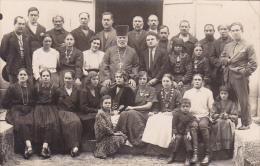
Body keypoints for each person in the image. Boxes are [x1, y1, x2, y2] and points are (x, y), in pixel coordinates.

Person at [220, 22, 257, 130]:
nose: (235, 33)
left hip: (240, 77)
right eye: (233, 31)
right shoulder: (228, 46)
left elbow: (254, 63)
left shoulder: (248, 45)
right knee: (231, 99)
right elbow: (222, 58)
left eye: (237, 30)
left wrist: (244, 73)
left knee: (243, 100)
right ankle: (233, 122)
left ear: (242, 31)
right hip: (228, 76)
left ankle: (246, 123)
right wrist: (227, 60)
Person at [116, 71, 157, 146]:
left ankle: (139, 139)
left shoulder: (151, 90)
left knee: (131, 113)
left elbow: (148, 106)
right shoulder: (135, 90)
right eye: (140, 79)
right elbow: (130, 103)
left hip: (146, 113)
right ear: (137, 80)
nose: (142, 81)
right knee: (123, 114)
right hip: (136, 112)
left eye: (144, 79)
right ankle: (121, 136)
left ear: (147, 79)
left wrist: (133, 108)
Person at [1, 68, 34, 159]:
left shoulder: (31, 87)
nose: (23, 76)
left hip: (28, 110)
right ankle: (28, 147)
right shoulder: (12, 87)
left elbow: (34, 101)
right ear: (17, 77)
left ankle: (27, 148)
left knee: (31, 122)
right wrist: (12, 108)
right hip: (15, 110)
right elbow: (4, 102)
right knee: (20, 122)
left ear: (27, 77)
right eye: (21, 75)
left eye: (24, 75)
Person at [142, 74, 182, 148]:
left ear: (171, 82)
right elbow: (156, 107)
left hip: (172, 114)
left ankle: (165, 144)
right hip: (162, 113)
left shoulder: (177, 93)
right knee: (152, 119)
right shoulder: (159, 92)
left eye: (167, 81)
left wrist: (171, 113)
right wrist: (154, 112)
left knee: (166, 121)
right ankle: (153, 144)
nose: (165, 83)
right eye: (164, 81)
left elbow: (179, 107)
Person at [183, 74, 214, 165]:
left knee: (203, 125)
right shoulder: (188, 93)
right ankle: (195, 155)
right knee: (194, 126)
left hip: (204, 116)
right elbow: (184, 108)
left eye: (199, 80)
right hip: (192, 117)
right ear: (192, 82)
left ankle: (208, 154)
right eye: (195, 80)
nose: (197, 81)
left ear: (203, 82)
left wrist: (211, 118)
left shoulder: (208, 92)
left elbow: (211, 107)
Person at [100, 25, 139, 94]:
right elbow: (104, 64)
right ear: (116, 38)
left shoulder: (132, 51)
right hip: (112, 80)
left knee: (133, 89)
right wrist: (107, 78)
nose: (122, 40)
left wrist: (132, 78)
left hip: (126, 81)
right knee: (104, 90)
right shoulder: (110, 50)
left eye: (124, 38)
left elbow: (135, 66)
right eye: (120, 38)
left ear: (127, 39)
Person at [33, 69, 60, 158]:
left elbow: (56, 101)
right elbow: (34, 99)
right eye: (43, 76)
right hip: (39, 108)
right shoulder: (36, 88)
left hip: (50, 108)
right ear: (41, 77)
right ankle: (42, 147)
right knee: (38, 123)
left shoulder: (54, 88)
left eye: (47, 76)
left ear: (50, 77)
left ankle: (45, 146)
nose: (45, 78)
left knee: (51, 123)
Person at [0, 16, 33, 85]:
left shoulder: (27, 37)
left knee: (28, 90)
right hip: (13, 69)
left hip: (27, 68)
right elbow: (2, 53)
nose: (21, 26)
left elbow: (29, 53)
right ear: (14, 24)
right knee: (14, 90)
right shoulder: (7, 37)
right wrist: (11, 60)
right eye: (19, 24)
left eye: (23, 24)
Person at [56, 71, 82, 157]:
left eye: (69, 78)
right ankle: (68, 148)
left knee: (76, 122)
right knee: (64, 123)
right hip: (61, 112)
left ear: (73, 80)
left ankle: (75, 147)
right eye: (65, 78)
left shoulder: (77, 91)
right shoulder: (59, 90)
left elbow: (79, 104)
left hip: (72, 112)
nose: (67, 80)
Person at [167, 98, 196, 165]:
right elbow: (174, 125)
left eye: (187, 107)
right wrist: (174, 134)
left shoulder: (191, 116)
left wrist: (188, 133)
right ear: (180, 107)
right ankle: (173, 155)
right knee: (178, 138)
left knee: (187, 139)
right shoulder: (176, 114)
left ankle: (188, 157)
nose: (185, 108)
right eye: (183, 107)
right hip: (178, 133)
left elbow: (188, 126)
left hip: (186, 133)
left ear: (190, 107)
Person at [210, 86, 238, 155]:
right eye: (222, 93)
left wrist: (228, 116)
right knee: (219, 122)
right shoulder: (216, 103)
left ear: (228, 94)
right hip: (218, 121)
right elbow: (213, 114)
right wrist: (219, 115)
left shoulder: (232, 103)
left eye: (225, 93)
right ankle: (218, 148)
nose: (223, 95)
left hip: (228, 121)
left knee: (227, 123)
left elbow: (235, 116)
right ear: (219, 94)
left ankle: (227, 148)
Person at [208, 24, 234, 99]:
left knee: (230, 90)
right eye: (221, 29)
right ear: (219, 31)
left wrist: (227, 63)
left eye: (225, 29)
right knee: (218, 89)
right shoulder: (215, 43)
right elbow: (211, 56)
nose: (223, 31)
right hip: (219, 70)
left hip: (230, 69)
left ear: (228, 30)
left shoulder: (233, 41)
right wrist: (221, 64)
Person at [79, 71, 101, 139]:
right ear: (89, 80)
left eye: (97, 79)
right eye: (93, 79)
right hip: (86, 115)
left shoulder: (96, 90)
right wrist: (97, 111)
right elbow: (84, 108)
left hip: (94, 113)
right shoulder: (84, 91)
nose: (96, 81)